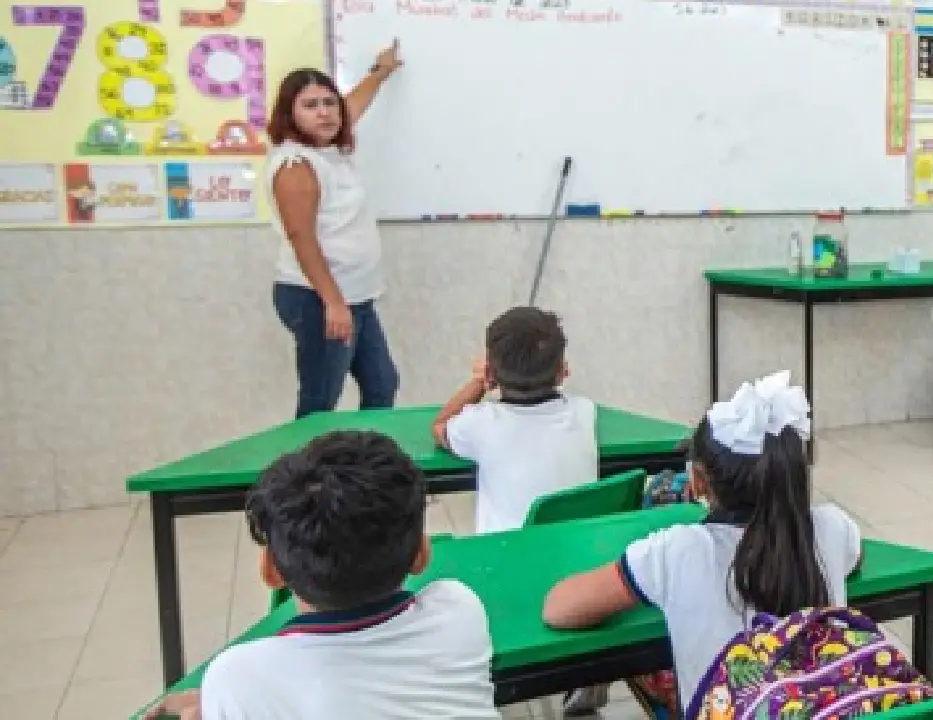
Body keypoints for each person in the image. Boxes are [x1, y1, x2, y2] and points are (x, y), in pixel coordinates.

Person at [542, 371, 862, 715]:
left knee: (651, 666)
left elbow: (559, 610)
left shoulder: (674, 550)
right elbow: (854, 559)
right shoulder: (834, 527)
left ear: (697, 481)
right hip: (820, 708)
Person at [144, 431, 500, 720]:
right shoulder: (459, 610)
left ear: (271, 571)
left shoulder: (236, 676)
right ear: (422, 553)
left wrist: (225, 699)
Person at [266, 43, 403, 419]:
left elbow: (353, 105)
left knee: (381, 385)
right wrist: (333, 302)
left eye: (329, 103)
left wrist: (380, 72)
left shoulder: (331, 149)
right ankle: (303, 477)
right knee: (320, 400)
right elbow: (301, 237)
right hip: (317, 298)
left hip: (355, 295)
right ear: (290, 115)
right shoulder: (296, 164)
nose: (324, 112)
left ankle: (363, 471)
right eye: (310, 106)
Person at [431, 306, 598, 535]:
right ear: (562, 371)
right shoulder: (584, 411)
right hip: (578, 556)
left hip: (505, 559)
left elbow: (440, 427)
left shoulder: (480, 424)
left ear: (491, 374)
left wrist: (479, 383)